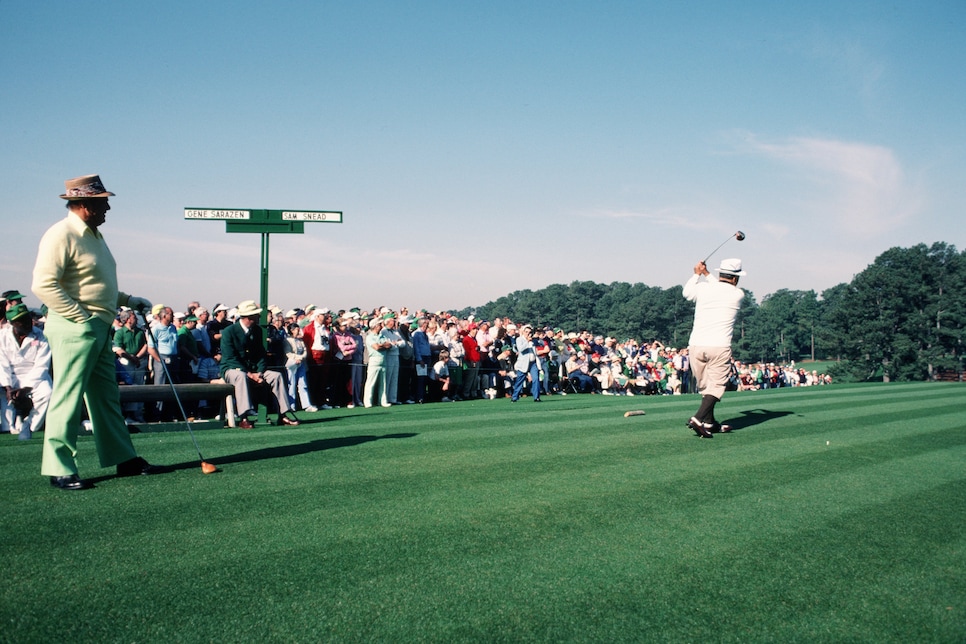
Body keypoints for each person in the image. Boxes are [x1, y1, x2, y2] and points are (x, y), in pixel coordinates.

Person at [31, 174, 163, 490]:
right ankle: (58, 466)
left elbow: (94, 286)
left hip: (97, 327)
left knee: (105, 397)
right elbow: (43, 285)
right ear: (85, 204)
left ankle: (124, 458)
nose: (108, 208)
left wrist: (128, 300)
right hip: (76, 327)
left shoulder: (93, 235)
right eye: (104, 202)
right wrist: (80, 317)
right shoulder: (61, 234)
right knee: (68, 396)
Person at [682, 257, 745, 438]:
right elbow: (722, 288)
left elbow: (687, 293)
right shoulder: (737, 294)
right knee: (716, 386)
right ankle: (698, 418)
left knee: (706, 387)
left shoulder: (703, 288)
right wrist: (706, 274)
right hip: (719, 346)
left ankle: (710, 422)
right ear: (735, 278)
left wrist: (697, 275)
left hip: (696, 345)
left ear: (720, 273)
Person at [219, 300, 300, 429]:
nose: (258, 317)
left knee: (276, 376)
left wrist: (260, 372)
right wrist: (249, 374)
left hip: (254, 370)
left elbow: (261, 355)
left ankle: (284, 413)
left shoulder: (257, 331)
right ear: (248, 317)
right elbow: (230, 358)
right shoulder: (229, 331)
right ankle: (244, 416)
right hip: (231, 369)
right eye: (255, 315)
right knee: (241, 377)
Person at [0, 303, 52, 439]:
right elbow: (2, 364)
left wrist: (25, 388)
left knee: (47, 393)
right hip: (10, 376)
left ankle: (29, 426)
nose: (27, 323)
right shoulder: (2, 337)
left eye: (28, 318)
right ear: (13, 323)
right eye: (22, 321)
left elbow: (41, 366)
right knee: (4, 394)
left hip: (34, 376)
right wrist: (8, 386)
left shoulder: (41, 336)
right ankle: (7, 427)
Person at [511, 324, 541, 402]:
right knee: (519, 380)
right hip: (523, 363)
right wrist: (527, 342)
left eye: (529, 332)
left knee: (536, 379)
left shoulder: (533, 340)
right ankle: (515, 397)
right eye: (526, 332)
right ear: (523, 332)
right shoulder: (519, 339)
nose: (528, 333)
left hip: (532, 362)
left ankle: (536, 397)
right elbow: (521, 349)